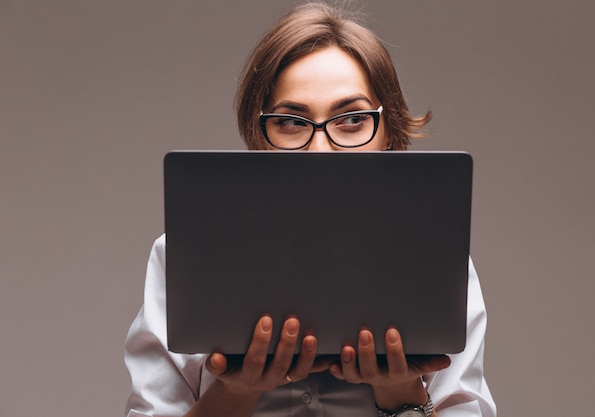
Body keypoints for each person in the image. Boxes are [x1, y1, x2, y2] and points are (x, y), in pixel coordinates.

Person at [124, 2, 497, 417]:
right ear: (259, 137)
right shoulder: (182, 259)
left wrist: (402, 392)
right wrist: (236, 392)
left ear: (388, 131)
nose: (321, 149)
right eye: (291, 123)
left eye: (352, 120)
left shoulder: (439, 266)